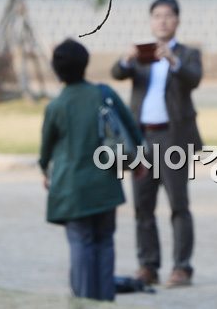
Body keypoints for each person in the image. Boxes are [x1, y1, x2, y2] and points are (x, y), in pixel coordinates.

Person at [39, 38, 144, 302]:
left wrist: (45, 172)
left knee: (80, 243)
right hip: (105, 184)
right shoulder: (103, 94)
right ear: (85, 64)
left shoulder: (56, 106)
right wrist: (139, 162)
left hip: (72, 189)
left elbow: (45, 151)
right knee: (105, 242)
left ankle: (84, 302)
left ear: (56, 69)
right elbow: (131, 127)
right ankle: (105, 301)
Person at [111, 0, 203, 288]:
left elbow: (194, 79)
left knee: (178, 205)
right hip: (141, 139)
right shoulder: (143, 54)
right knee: (143, 206)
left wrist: (173, 61)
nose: (162, 21)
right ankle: (148, 266)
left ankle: (182, 268)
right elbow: (117, 73)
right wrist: (126, 59)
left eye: (167, 16)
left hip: (173, 139)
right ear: (151, 21)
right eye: (156, 16)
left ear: (177, 21)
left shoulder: (187, 54)